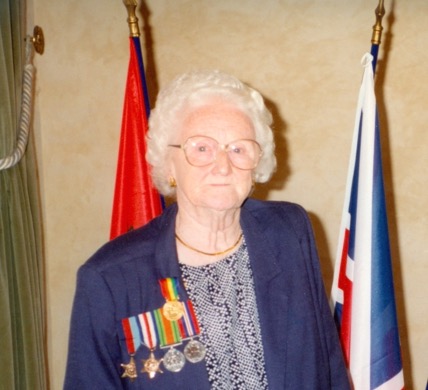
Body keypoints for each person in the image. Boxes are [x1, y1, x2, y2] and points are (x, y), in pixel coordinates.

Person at [64, 70, 350, 389]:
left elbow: (327, 363)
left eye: (238, 148)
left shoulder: (289, 230)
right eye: (202, 148)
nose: (223, 166)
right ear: (168, 164)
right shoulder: (109, 277)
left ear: (258, 163)